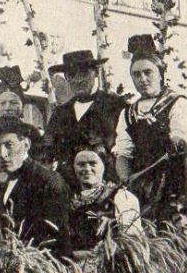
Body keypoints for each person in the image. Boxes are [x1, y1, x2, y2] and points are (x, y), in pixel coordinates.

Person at [113, 34, 187, 222]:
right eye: (136, 74)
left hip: (175, 183)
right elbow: (123, 153)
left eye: (148, 72)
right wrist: (125, 180)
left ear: (160, 73)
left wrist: (176, 140)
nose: (143, 79)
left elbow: (180, 136)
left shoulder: (176, 103)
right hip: (142, 184)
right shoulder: (128, 113)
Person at [0, 114, 72, 253]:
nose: (2, 154)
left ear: (26, 145)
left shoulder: (47, 181)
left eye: (9, 145)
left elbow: (55, 242)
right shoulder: (3, 182)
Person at [44, 49, 127, 195]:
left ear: (95, 72)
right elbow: (47, 149)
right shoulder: (60, 113)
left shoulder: (116, 106)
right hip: (68, 190)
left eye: (83, 73)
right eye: (71, 75)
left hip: (108, 189)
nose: (78, 79)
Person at [68, 148, 141, 253]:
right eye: (81, 164)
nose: (87, 169)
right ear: (74, 168)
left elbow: (131, 243)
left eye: (93, 164)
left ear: (104, 166)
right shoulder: (69, 200)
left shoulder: (121, 197)